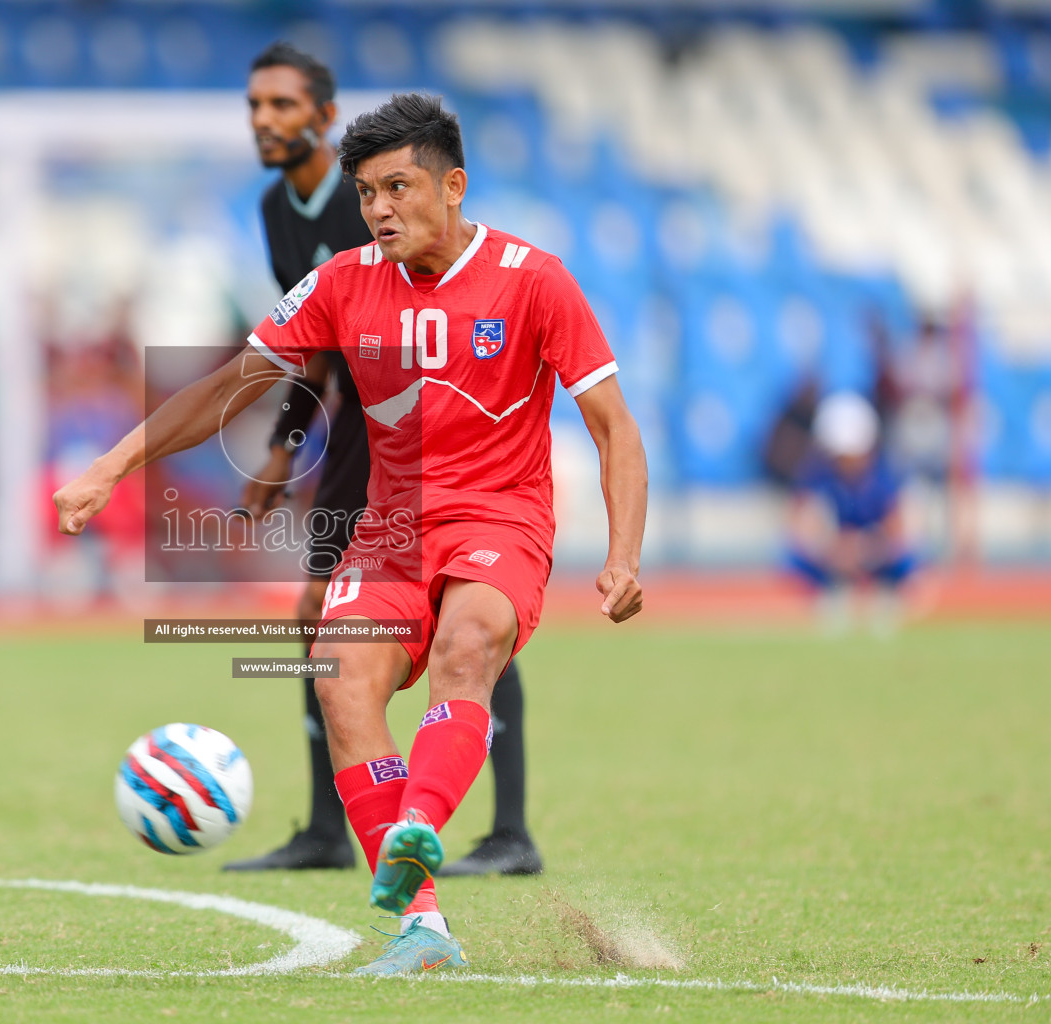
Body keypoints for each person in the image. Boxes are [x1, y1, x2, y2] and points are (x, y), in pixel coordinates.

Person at [54, 93, 646, 974]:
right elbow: (229, 388)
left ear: (453, 186)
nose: (378, 210)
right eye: (367, 192)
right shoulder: (340, 283)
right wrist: (112, 465)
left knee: (470, 643)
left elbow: (612, 425)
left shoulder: (533, 278)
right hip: (389, 533)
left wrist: (624, 554)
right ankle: (423, 930)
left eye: (397, 188)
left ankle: (417, 822)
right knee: (340, 685)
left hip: (500, 521)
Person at [228, 43, 541, 877]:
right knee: (319, 624)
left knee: (464, 623)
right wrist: (280, 450)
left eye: (284, 105)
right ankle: (336, 823)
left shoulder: (360, 209)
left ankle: (504, 828)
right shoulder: (275, 209)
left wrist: (282, 452)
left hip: (409, 444)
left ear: (324, 119)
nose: (266, 120)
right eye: (256, 105)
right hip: (355, 434)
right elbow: (315, 353)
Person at [789, 392, 916, 634]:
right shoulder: (817, 474)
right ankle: (827, 595)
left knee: (909, 558)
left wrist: (867, 547)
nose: (849, 461)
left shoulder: (885, 474)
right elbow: (802, 523)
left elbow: (897, 524)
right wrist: (833, 548)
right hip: (833, 555)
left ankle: (886, 596)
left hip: (873, 551)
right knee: (792, 557)